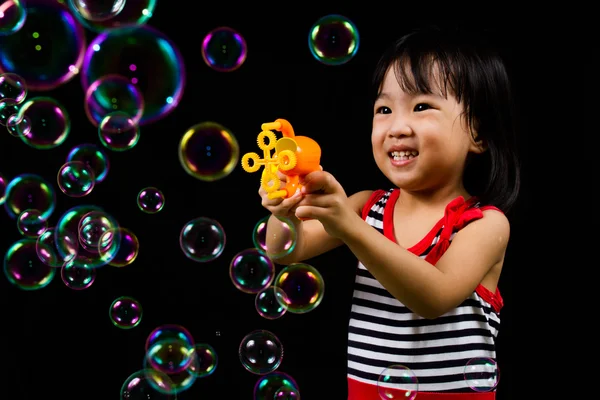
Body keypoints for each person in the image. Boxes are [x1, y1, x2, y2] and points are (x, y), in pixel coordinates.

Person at [258, 24, 521, 400]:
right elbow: (285, 249)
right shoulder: (367, 207)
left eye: (421, 106)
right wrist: (283, 211)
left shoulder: (484, 224)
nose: (396, 127)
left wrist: (351, 228)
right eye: (384, 109)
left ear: (476, 132)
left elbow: (433, 298)